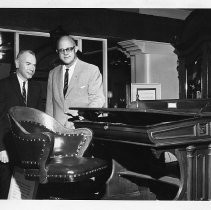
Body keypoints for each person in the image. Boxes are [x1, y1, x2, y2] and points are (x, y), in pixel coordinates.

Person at [0, 50, 43, 199]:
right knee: (5, 191)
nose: (32, 68)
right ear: (17, 63)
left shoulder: (37, 89)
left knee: (25, 192)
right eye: (28, 63)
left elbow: (37, 122)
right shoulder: (3, 85)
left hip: (27, 152)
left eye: (35, 65)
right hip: (6, 150)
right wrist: (1, 148)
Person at [45, 35, 105, 128]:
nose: (65, 53)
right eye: (61, 50)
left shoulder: (91, 70)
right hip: (57, 130)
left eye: (68, 49)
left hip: (81, 128)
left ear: (76, 49)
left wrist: (78, 120)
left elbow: (97, 101)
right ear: (57, 52)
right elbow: (49, 106)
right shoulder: (53, 73)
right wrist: (49, 128)